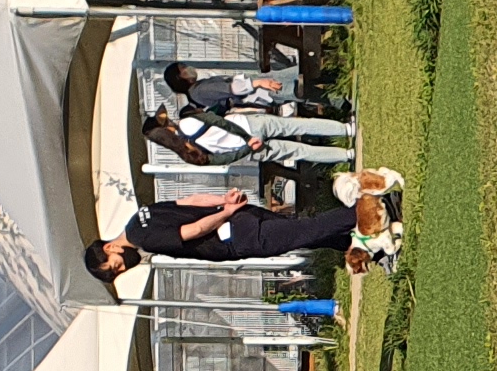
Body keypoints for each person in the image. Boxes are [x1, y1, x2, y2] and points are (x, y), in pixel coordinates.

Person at [87, 181, 391, 278]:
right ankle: (370, 248)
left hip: (236, 236)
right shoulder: (138, 216)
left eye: (112, 268)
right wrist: (224, 202)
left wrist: (225, 211)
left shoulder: (143, 238)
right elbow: (190, 200)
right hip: (239, 218)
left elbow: (191, 231)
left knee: (306, 231)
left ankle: (374, 207)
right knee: (307, 234)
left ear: (109, 248)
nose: (120, 270)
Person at [143, 107, 355, 171]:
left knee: (300, 152)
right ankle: (346, 129)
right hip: (250, 125)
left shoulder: (187, 154)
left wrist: (247, 147)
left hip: (252, 149)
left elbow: (222, 160)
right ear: (165, 127)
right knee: (299, 125)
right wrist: (246, 136)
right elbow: (221, 121)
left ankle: (346, 155)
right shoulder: (187, 122)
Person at [166, 62, 347, 120]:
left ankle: (339, 76)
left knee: (303, 76)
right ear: (180, 77)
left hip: (259, 90)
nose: (188, 68)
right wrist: (260, 82)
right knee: (299, 89)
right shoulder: (200, 90)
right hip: (261, 90)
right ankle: (342, 100)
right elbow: (232, 88)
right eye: (183, 69)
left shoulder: (197, 92)